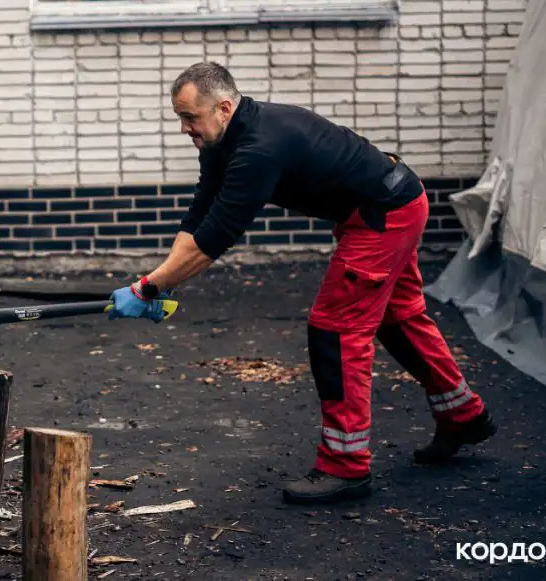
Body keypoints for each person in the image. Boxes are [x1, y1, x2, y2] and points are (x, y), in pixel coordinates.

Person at [108, 61, 496, 505]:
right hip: (381, 207)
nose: (184, 128)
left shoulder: (259, 148)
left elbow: (214, 239)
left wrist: (148, 289)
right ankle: (462, 413)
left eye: (189, 118)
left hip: (384, 213)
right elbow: (201, 213)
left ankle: (346, 466)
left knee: (336, 329)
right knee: (397, 316)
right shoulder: (222, 139)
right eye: (180, 118)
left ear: (223, 107)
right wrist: (162, 281)